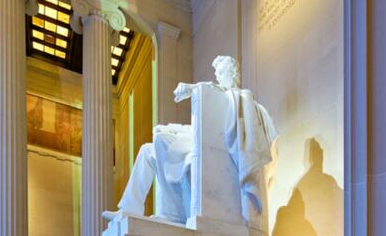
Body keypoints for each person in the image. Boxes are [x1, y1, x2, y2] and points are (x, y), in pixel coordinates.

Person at [117, 55, 277, 225]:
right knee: (148, 149)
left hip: (216, 150)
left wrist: (192, 88)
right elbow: (198, 129)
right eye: (217, 74)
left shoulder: (237, 99)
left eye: (221, 72)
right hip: (200, 142)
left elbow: (215, 128)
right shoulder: (220, 99)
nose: (217, 77)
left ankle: (173, 214)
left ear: (233, 74)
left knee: (162, 142)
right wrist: (172, 128)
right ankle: (130, 208)